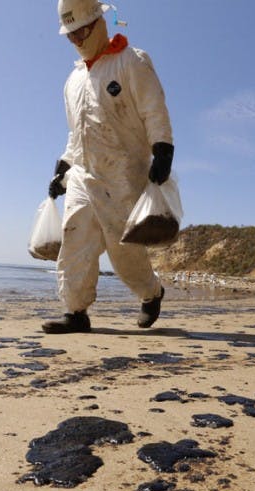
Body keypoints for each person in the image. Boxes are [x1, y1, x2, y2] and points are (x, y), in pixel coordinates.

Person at [42, 0, 174, 334]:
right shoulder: (72, 82)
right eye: (71, 35)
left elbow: (153, 108)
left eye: (82, 30)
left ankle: (151, 292)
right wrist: (63, 166)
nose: (77, 39)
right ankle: (76, 312)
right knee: (75, 239)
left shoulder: (132, 61)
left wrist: (163, 147)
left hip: (123, 173)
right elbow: (78, 132)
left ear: (98, 21)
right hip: (83, 175)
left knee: (122, 250)